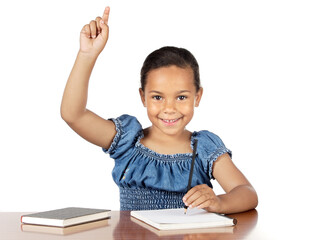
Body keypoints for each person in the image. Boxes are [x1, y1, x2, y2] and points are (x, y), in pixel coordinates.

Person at [61, 7, 258, 213]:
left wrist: (220, 202)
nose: (169, 108)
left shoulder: (203, 148)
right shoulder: (127, 141)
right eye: (157, 97)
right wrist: (87, 54)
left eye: (181, 97)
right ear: (142, 97)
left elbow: (247, 193)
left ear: (197, 97)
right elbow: (72, 114)